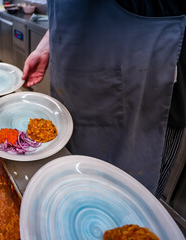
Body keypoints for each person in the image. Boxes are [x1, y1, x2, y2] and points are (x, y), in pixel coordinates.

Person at [22, 0, 186, 197]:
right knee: (74, 182)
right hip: (74, 84)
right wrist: (46, 46)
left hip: (140, 85)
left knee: (127, 199)